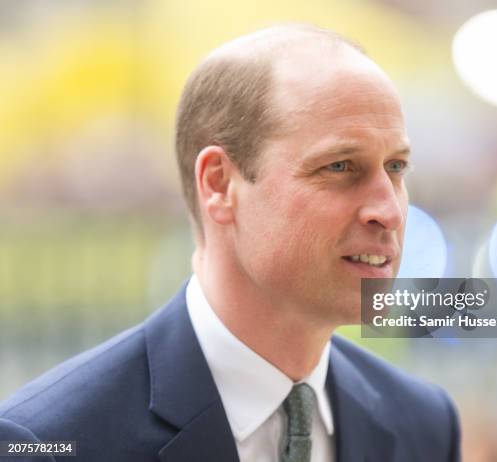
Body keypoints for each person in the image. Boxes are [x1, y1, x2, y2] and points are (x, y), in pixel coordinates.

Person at [0, 24, 460, 461]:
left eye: (396, 167)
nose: (391, 211)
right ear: (219, 184)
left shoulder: (424, 425)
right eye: (340, 166)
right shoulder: (51, 439)